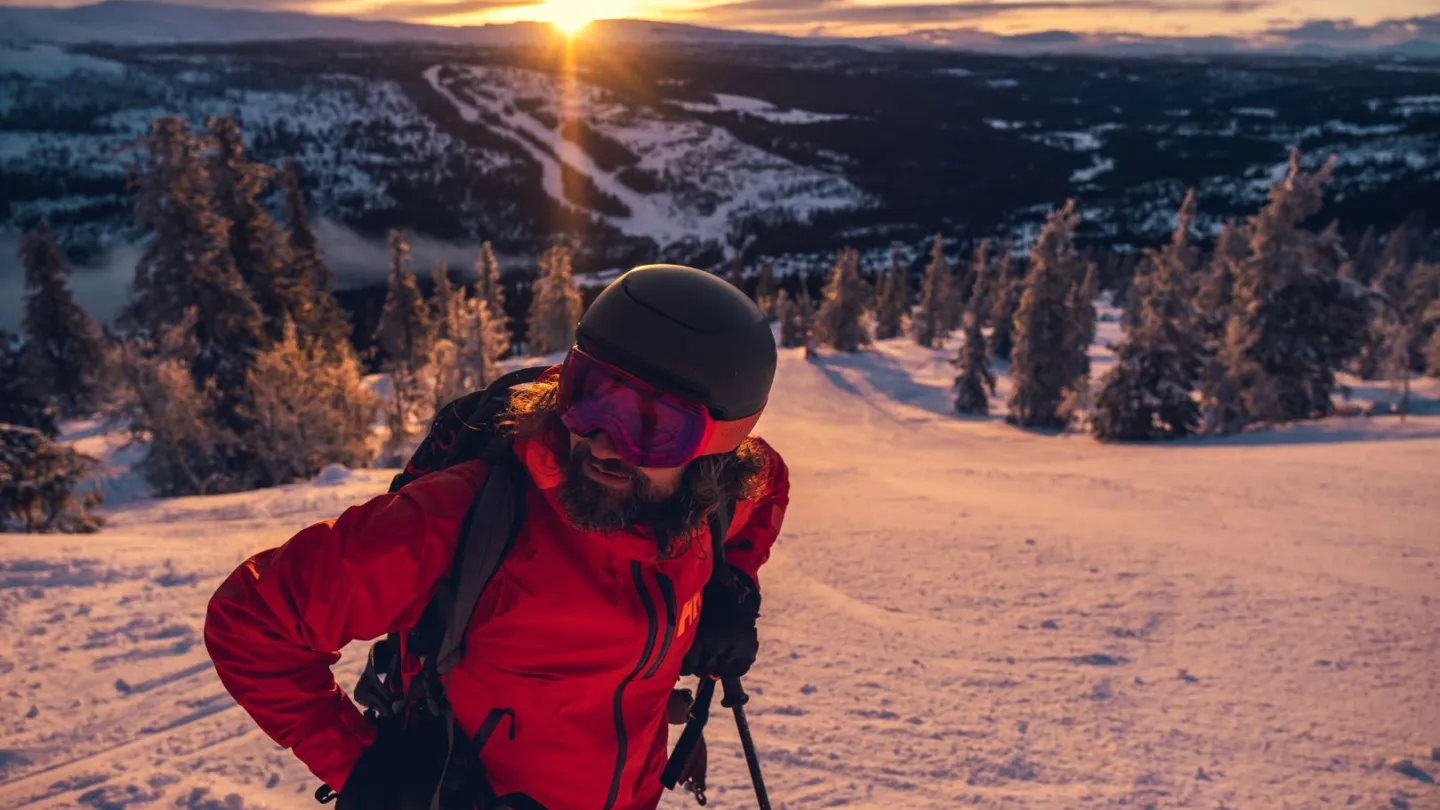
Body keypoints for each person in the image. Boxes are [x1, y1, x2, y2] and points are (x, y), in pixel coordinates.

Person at [204, 264, 790, 810]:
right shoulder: (467, 516)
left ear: (718, 448)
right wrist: (365, 770)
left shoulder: (715, 502)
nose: (605, 442)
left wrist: (730, 587)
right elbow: (252, 619)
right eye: (589, 396)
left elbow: (771, 487)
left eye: (653, 427)